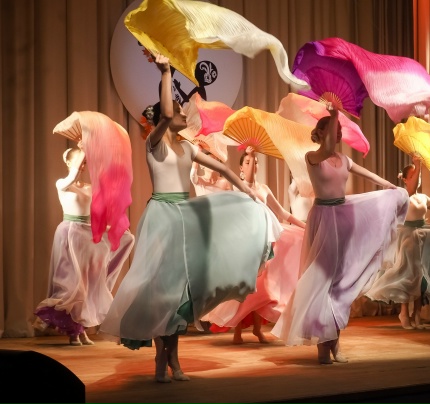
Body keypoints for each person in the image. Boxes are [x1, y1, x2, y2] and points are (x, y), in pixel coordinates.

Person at [99, 53, 270, 383]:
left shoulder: (188, 148)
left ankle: (172, 361)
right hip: (162, 216)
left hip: (184, 217)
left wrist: (247, 191)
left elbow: (223, 168)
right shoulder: (154, 145)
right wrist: (165, 72)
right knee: (161, 292)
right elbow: (166, 113)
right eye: (179, 111)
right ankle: (163, 359)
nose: (182, 114)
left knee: (180, 294)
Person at [271, 103, 409, 364]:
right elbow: (325, 150)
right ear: (322, 133)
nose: (338, 134)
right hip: (324, 219)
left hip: (343, 218)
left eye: (339, 131)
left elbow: (368, 174)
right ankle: (324, 346)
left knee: (339, 284)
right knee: (323, 282)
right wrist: (335, 114)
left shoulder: (345, 160)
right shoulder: (313, 157)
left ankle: (334, 344)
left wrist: (389, 186)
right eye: (334, 130)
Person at [34, 144, 135, 346]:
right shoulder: (63, 183)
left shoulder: (90, 187)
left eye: (85, 161)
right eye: (79, 160)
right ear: (68, 161)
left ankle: (81, 330)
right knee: (73, 285)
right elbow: (72, 176)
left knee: (88, 284)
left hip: (88, 235)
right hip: (69, 234)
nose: (82, 165)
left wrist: (115, 230)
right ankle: (73, 332)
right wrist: (83, 149)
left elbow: (99, 211)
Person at [204, 146, 305, 344]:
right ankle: (238, 331)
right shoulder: (237, 186)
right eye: (248, 162)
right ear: (241, 168)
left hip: (264, 239)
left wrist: (305, 226)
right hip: (244, 241)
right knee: (246, 287)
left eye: (256, 162)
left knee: (261, 288)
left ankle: (257, 329)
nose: (253, 165)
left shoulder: (264, 188)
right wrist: (250, 154)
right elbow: (242, 190)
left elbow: (283, 213)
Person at [366, 155, 430, 329]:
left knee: (421, 277)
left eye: (418, 175)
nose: (417, 177)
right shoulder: (401, 195)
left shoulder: (423, 198)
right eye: (413, 175)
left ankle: (417, 315)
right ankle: (404, 312)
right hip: (407, 238)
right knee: (407, 275)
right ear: (405, 179)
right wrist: (418, 165)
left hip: (422, 237)